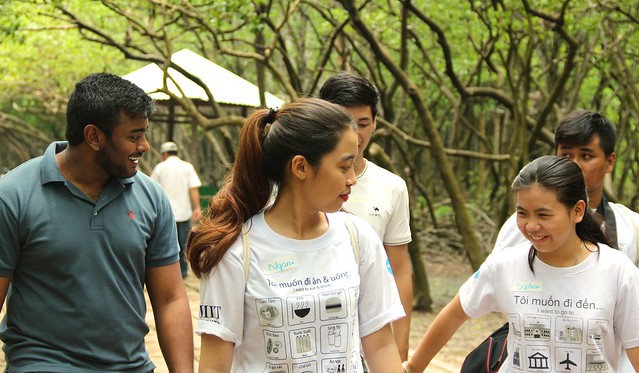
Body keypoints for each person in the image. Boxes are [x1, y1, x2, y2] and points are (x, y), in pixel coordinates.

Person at [187, 98, 405, 372]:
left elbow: (381, 345)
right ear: (300, 167)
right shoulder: (237, 251)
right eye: (343, 166)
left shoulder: (358, 237)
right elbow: (214, 367)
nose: (353, 178)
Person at [0, 73, 194, 372]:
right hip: (44, 364)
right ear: (94, 137)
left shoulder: (151, 197)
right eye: (133, 135)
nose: (144, 146)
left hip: (131, 365)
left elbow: (170, 299)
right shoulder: (13, 195)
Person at [404, 155, 639, 373]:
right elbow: (456, 312)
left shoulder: (617, 271)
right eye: (522, 213)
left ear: (577, 210)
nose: (531, 226)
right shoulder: (505, 265)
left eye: (543, 215)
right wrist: (412, 368)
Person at [319, 72, 413, 361]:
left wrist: (401, 341)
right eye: (345, 123)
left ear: (375, 123)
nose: (356, 135)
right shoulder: (296, 182)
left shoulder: (391, 186)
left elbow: (398, 268)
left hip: (371, 334)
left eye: (363, 124)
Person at [494, 110, 639, 263]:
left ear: (609, 162)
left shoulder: (631, 228)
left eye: (586, 156)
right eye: (566, 155)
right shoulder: (522, 225)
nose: (574, 164)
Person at [152, 141, 203, 278]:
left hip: (164, 214)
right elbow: (193, 189)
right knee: (183, 244)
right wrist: (197, 207)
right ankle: (183, 273)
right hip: (183, 213)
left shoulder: (160, 168)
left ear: (164, 154)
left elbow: (152, 191)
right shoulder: (187, 167)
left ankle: (167, 274)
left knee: (165, 245)